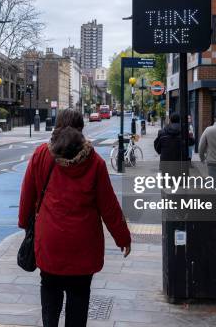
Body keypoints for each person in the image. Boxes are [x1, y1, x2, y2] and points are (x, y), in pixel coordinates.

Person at [19, 108, 131, 327]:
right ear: (81, 129)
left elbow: (27, 195)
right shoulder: (95, 161)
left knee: (49, 292)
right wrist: (122, 237)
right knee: (79, 299)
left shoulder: (41, 154)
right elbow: (108, 206)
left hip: (50, 241)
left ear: (57, 127)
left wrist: (25, 224)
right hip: (83, 245)